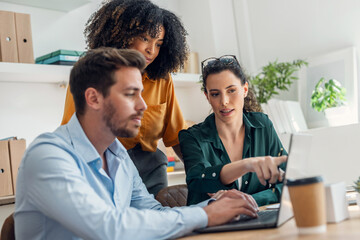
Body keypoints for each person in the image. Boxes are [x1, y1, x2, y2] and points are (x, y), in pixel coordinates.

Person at [15, 48, 259, 240]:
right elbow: (108, 228)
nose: (143, 105)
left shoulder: (117, 154)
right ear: (93, 98)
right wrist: (205, 215)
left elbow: (152, 213)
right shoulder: (48, 156)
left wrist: (216, 204)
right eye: (131, 94)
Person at [61, 0, 189, 196]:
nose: (152, 51)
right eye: (145, 39)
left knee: (156, 217)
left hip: (151, 169)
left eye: (159, 44)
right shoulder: (91, 72)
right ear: (123, 35)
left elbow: (176, 135)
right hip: (104, 166)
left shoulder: (162, 78)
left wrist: (201, 175)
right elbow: (73, 133)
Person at [179, 55, 288, 206]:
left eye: (231, 91)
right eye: (215, 94)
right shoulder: (191, 137)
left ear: (244, 90)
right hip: (213, 226)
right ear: (207, 96)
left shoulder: (263, 125)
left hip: (260, 221)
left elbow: (289, 181)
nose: (224, 101)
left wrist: (249, 201)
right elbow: (198, 181)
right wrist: (247, 164)